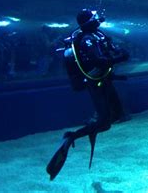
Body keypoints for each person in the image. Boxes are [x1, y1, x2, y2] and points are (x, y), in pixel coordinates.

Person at [46, 9, 130, 181]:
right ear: (87, 22)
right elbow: (98, 60)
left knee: (112, 118)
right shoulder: (87, 39)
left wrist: (118, 52)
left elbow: (110, 49)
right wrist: (119, 59)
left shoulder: (97, 35)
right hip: (95, 82)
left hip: (105, 79)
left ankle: (92, 126)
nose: (97, 20)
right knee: (104, 121)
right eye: (93, 18)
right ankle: (72, 137)